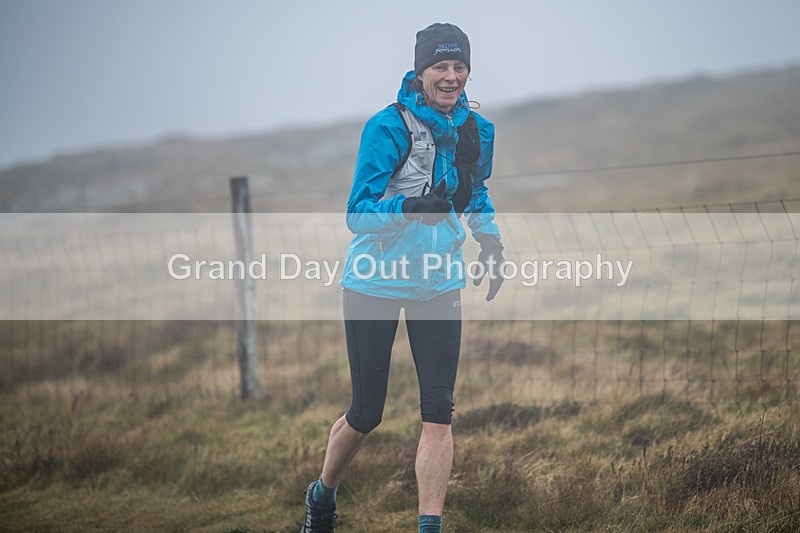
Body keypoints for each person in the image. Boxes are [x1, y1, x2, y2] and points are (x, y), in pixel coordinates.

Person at [301, 22, 504, 533]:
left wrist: (491, 240)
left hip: (439, 281)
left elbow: (475, 194)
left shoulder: (478, 131)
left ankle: (429, 528)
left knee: (439, 410)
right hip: (373, 281)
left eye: (460, 67)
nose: (451, 77)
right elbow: (357, 213)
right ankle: (322, 495)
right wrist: (410, 208)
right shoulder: (387, 127)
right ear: (420, 71)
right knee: (367, 412)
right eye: (441, 66)